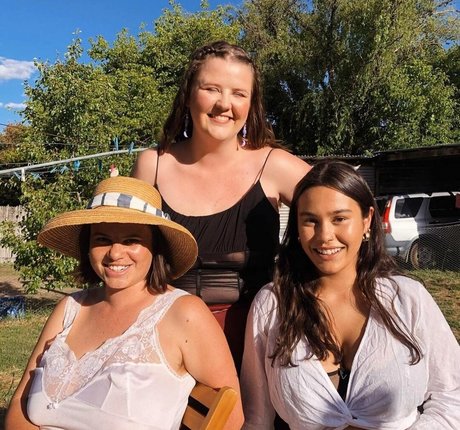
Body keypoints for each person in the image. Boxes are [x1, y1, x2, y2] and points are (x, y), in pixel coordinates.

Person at [5, 176, 243, 430]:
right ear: (88, 246)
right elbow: (20, 402)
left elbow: (230, 417)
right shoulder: (70, 309)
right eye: (102, 239)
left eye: (131, 240)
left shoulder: (183, 313)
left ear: (156, 247)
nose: (115, 253)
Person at [132, 40, 311, 372]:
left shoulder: (274, 166)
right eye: (211, 89)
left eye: (239, 93)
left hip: (257, 348)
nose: (224, 104)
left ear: (251, 104)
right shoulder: (151, 165)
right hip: (165, 349)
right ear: (188, 94)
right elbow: (127, 256)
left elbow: (347, 213)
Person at [241, 160, 460, 429]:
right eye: (310, 220)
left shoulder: (408, 299)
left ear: (367, 220)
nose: (324, 236)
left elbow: (453, 396)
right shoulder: (272, 305)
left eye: (339, 219)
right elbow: (257, 417)